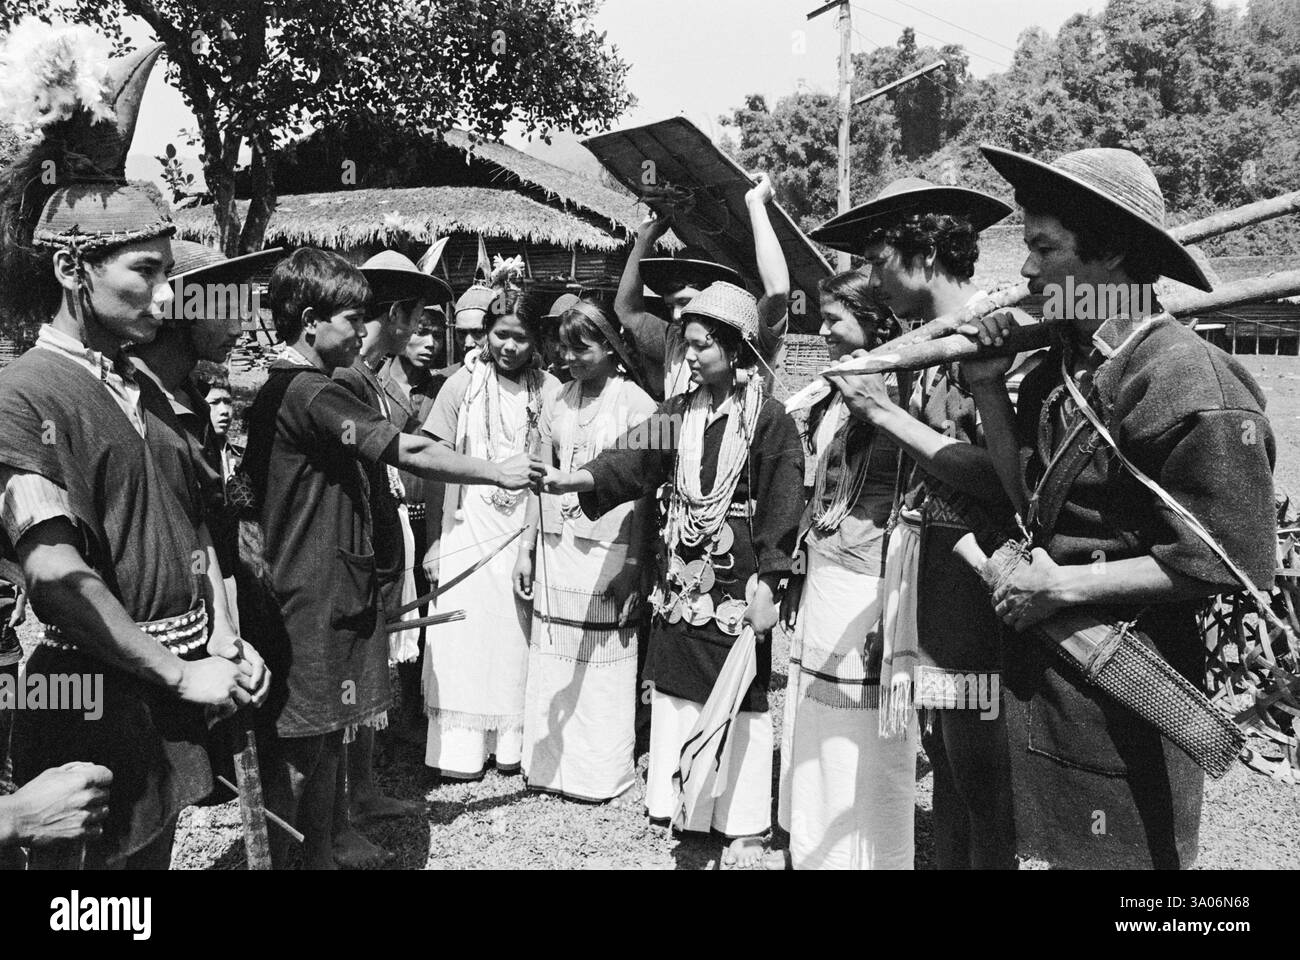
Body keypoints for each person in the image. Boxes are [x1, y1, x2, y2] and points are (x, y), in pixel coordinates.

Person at [959, 145, 1276, 869]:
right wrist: (984, 387)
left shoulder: (1188, 382)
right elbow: (1027, 504)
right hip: (1046, 676)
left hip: (1130, 681)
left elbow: (1232, 562)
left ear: (1109, 252)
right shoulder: (1060, 369)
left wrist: (1063, 585)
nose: (1028, 272)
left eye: (1044, 247)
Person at [0, 32, 265, 869]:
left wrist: (224, 638)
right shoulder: (25, 395)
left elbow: (191, 531)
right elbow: (54, 579)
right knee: (88, 895)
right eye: (144, 272)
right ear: (76, 271)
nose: (164, 293)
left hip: (169, 679)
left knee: (149, 859)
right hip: (85, 693)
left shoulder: (146, 385)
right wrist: (181, 673)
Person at [245, 247, 542, 869]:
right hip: (307, 593)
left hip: (328, 585)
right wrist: (497, 471)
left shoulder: (316, 387)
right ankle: (288, 858)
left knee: (326, 735)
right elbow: (410, 450)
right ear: (309, 320)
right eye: (353, 319)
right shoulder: (307, 392)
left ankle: (321, 852)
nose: (362, 330)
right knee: (299, 750)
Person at [545, 281, 804, 867]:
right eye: (685, 345)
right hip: (680, 571)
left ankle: (741, 820)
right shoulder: (677, 414)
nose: (689, 356)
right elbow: (630, 460)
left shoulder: (768, 419)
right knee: (678, 682)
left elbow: (784, 501)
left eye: (700, 345)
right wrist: (575, 480)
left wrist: (772, 576)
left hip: (735, 575)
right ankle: (680, 802)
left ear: (735, 346)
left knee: (741, 691)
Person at [812, 177, 1020, 870]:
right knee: (948, 766)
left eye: (877, 259)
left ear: (924, 248)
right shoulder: (927, 344)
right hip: (929, 577)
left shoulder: (999, 334)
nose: (870, 276)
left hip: (980, 581)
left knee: (983, 781)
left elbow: (1003, 479)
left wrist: (882, 413)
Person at [775, 272, 913, 870]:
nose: (823, 330)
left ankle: (869, 853)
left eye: (836, 320)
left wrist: (893, 601)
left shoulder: (902, 393)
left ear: (877, 320)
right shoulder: (834, 391)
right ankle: (815, 844)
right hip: (828, 565)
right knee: (821, 711)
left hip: (872, 574)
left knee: (867, 724)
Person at [420, 265, 562, 779]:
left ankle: (509, 747)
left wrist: (532, 538)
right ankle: (458, 752)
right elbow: (434, 460)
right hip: (466, 520)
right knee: (463, 635)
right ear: (484, 334)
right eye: (500, 335)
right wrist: (437, 541)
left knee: (512, 635)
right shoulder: (462, 384)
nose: (508, 347)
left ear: (536, 340)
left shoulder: (549, 390)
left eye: (520, 338)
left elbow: (549, 466)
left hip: (521, 526)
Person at [331, 249, 449, 863]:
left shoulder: (372, 374)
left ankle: (366, 789)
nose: (420, 331)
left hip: (381, 539)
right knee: (350, 679)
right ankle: (340, 813)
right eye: (416, 317)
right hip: (346, 553)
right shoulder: (346, 375)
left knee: (375, 669)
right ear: (396, 315)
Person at [513, 299, 655, 802]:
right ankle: (550, 767)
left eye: (583, 348)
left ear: (613, 347)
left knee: (603, 660)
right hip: (557, 545)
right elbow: (537, 478)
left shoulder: (638, 403)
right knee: (555, 655)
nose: (570, 358)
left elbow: (645, 493)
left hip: (610, 548)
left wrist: (635, 565)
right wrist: (527, 546)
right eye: (565, 349)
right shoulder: (557, 400)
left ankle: (599, 771)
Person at [132, 241, 283, 629]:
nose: (238, 327)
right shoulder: (131, 396)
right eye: (226, 311)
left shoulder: (190, 395)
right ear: (179, 313)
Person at [615, 173, 790, 401]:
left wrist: (755, 203)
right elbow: (626, 311)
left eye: (685, 302)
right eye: (670, 306)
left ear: (714, 293)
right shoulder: (675, 339)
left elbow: (777, 290)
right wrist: (644, 240)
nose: (677, 315)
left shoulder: (747, 334)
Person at [379, 303, 451, 740]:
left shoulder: (444, 388)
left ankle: (424, 714)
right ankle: (391, 716)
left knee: (429, 612)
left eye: (436, 335)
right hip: (392, 514)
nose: (430, 344)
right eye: (421, 333)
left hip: (432, 517)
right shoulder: (371, 383)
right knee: (395, 614)